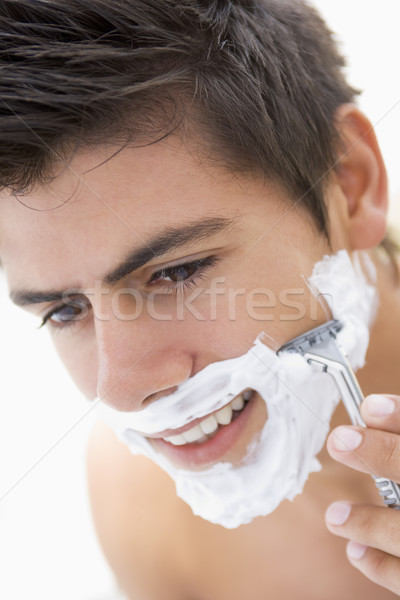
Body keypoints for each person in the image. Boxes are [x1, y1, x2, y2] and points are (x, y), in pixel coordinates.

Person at [0, 0, 399, 598]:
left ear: (347, 184)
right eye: (64, 310)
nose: (121, 389)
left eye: (177, 273)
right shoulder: (141, 505)